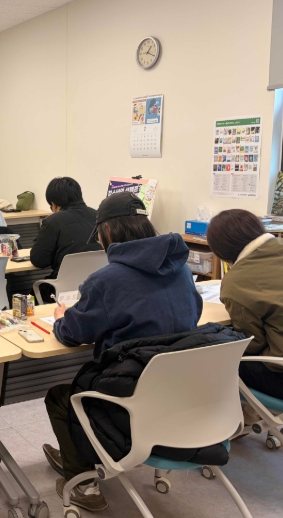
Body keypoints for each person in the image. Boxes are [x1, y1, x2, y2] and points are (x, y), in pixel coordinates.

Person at [42, 192, 202, 512]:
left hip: (129, 398)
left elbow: (72, 334)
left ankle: (83, 483)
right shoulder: (182, 270)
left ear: (107, 233)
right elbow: (193, 315)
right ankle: (83, 451)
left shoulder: (106, 280)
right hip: (178, 396)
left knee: (62, 397)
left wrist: (61, 317)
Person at [207, 209, 283, 400]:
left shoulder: (237, 282)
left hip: (279, 374)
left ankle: (228, 416)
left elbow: (252, 343)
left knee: (212, 360)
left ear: (221, 253)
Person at [30, 177, 101, 288]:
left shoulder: (53, 221)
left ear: (53, 204)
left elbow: (39, 261)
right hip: (97, 286)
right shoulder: (99, 216)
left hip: (64, 290)